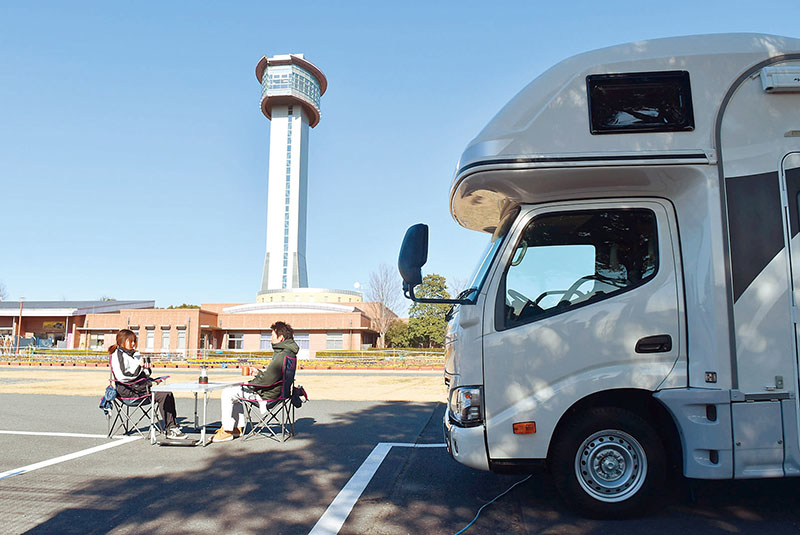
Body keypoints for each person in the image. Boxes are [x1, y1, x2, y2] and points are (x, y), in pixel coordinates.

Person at [212, 321, 298, 443]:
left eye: (272, 336)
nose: (270, 339)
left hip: (268, 396)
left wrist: (250, 384)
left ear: (281, 338)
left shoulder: (281, 355)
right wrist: (258, 373)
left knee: (228, 392)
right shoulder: (289, 354)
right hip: (280, 394)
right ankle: (237, 428)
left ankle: (227, 430)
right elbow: (274, 377)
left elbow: (267, 381)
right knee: (236, 391)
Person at [109, 329, 187, 440]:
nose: (133, 344)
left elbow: (145, 374)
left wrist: (146, 368)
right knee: (163, 394)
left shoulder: (134, 354)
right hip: (129, 392)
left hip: (140, 388)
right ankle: (170, 429)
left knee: (168, 392)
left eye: (134, 341)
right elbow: (123, 375)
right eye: (130, 341)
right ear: (122, 341)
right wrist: (140, 367)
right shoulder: (117, 355)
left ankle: (173, 426)